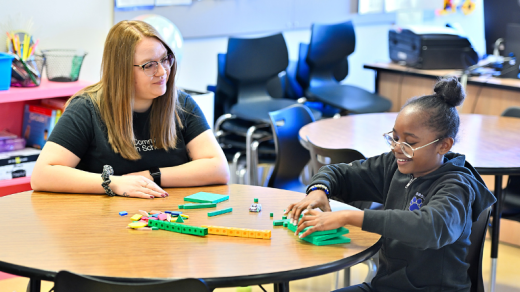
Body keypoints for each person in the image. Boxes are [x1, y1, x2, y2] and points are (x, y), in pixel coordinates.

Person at [285, 77, 496, 292]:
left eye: (409, 143)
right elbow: (340, 172)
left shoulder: (456, 187)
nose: (396, 148)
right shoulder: (394, 165)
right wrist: (318, 189)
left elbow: (430, 227)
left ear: (444, 145)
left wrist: (349, 216)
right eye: (394, 138)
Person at [31, 20, 229, 198]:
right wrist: (114, 182)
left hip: (168, 216)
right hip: (103, 223)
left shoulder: (181, 104)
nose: (162, 71)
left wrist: (152, 175)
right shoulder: (86, 108)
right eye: (149, 65)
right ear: (121, 71)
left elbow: (218, 168)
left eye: (165, 59)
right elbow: (42, 175)